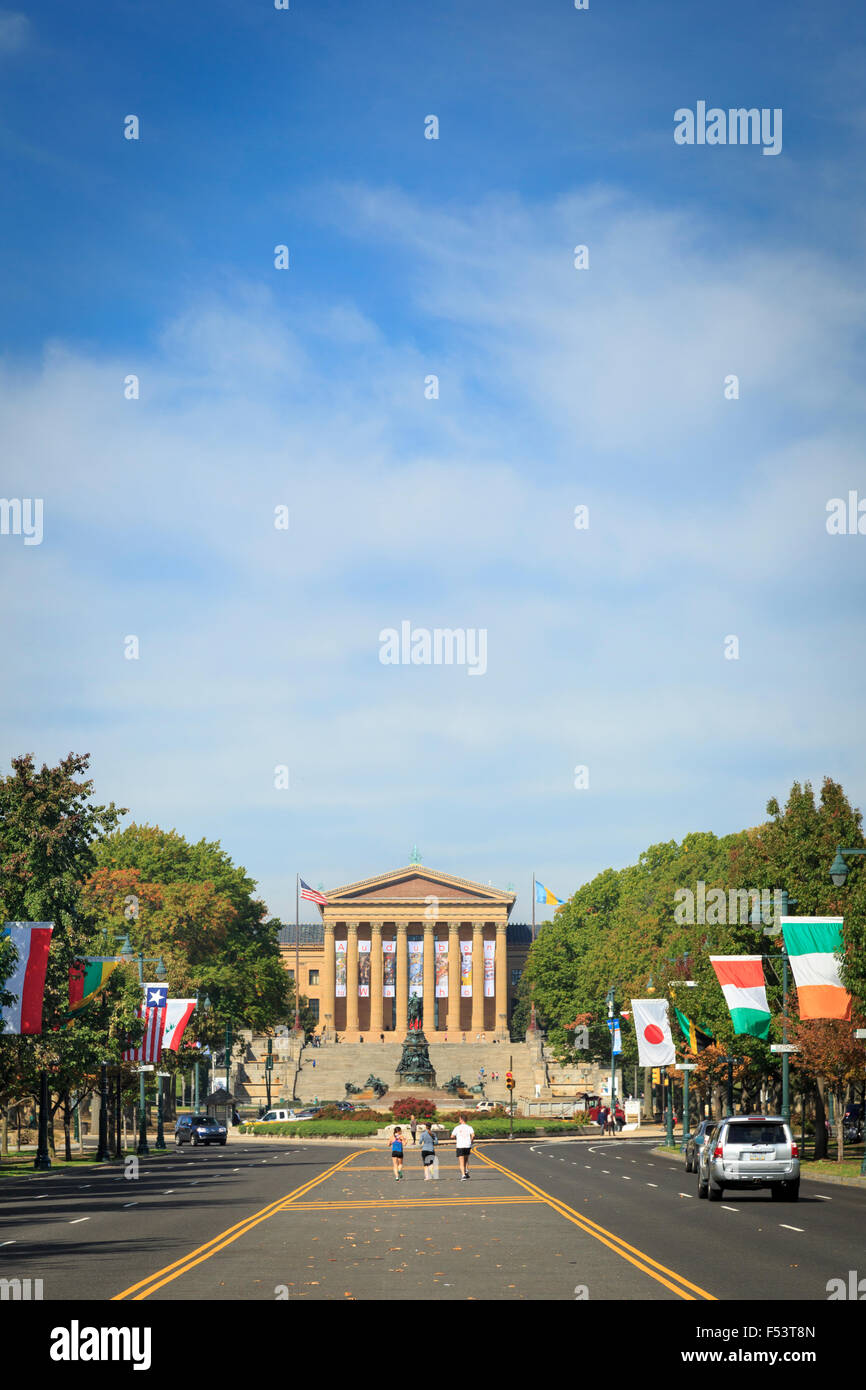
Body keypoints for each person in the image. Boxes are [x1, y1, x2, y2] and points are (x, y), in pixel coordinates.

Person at [451, 1113, 475, 1181]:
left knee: (461, 1161)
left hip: (460, 1145)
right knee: (466, 1159)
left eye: (459, 1119)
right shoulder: (469, 1127)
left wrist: (456, 1137)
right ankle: (466, 1170)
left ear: (461, 1119)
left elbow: (452, 1136)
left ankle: (463, 1175)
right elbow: (473, 1135)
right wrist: (471, 1141)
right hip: (467, 1145)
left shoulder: (457, 1127)